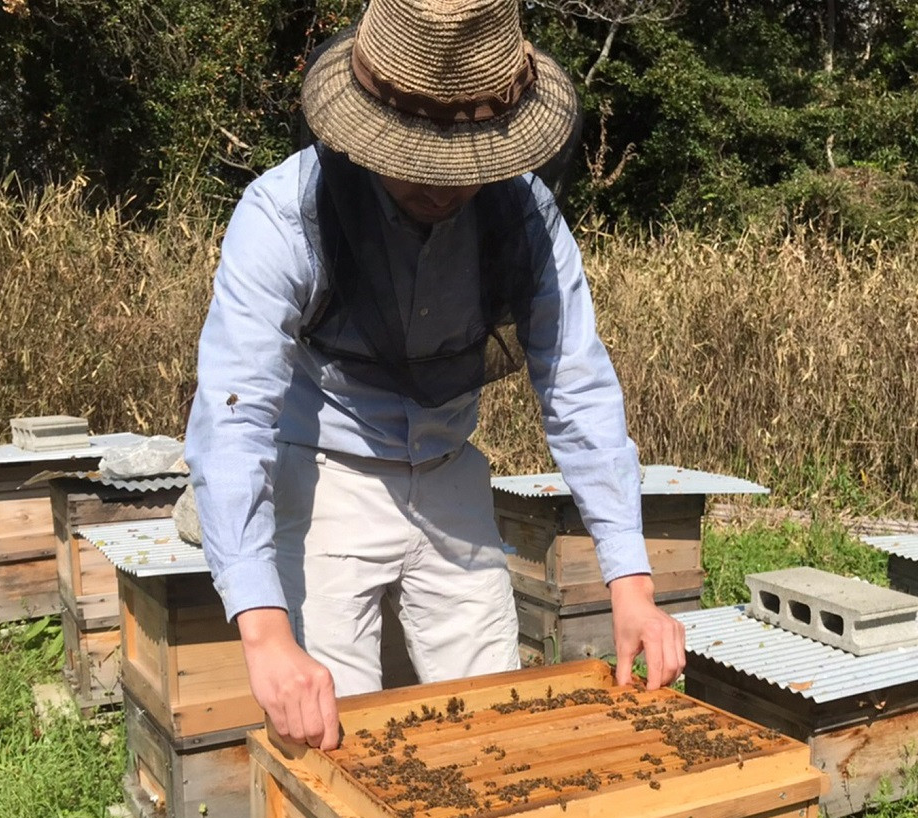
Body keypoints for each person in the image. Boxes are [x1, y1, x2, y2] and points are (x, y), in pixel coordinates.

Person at [184, 0, 686, 752]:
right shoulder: (284, 215)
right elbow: (233, 415)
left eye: (464, 159)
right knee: (329, 742)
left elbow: (576, 384)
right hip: (324, 479)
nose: (441, 183)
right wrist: (264, 637)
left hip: (452, 477)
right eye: (417, 159)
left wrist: (633, 586)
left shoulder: (526, 217)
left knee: (490, 732)